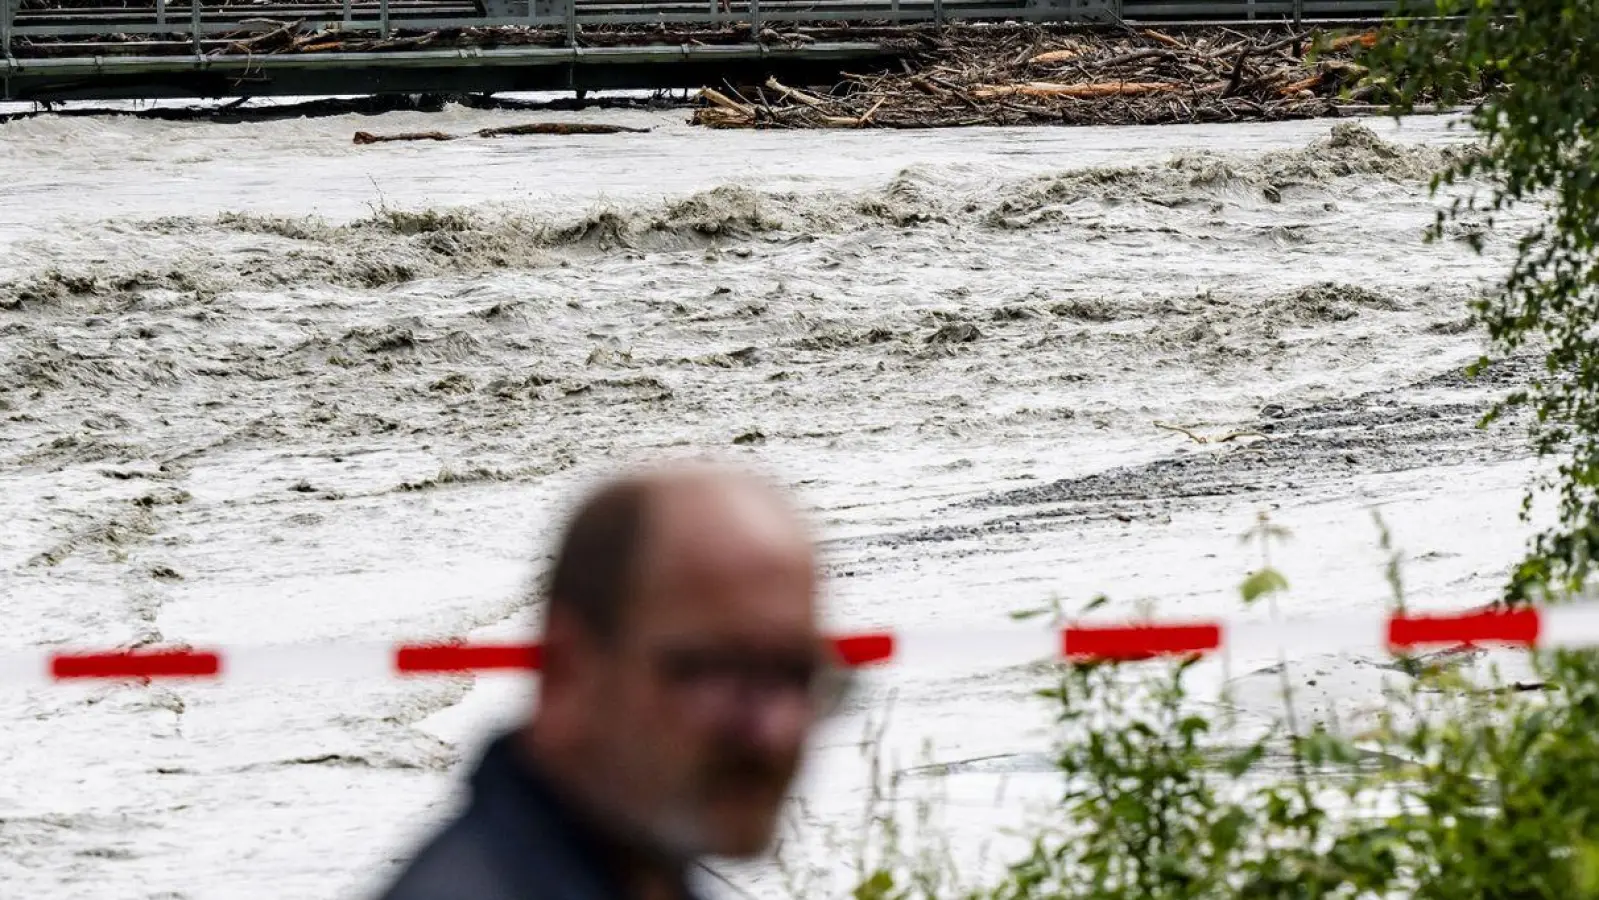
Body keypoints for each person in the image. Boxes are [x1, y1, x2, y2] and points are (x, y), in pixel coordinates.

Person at [378, 462, 841, 900]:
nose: (770, 730)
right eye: (712, 673)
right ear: (567, 673)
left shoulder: (640, 864)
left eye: (797, 675)